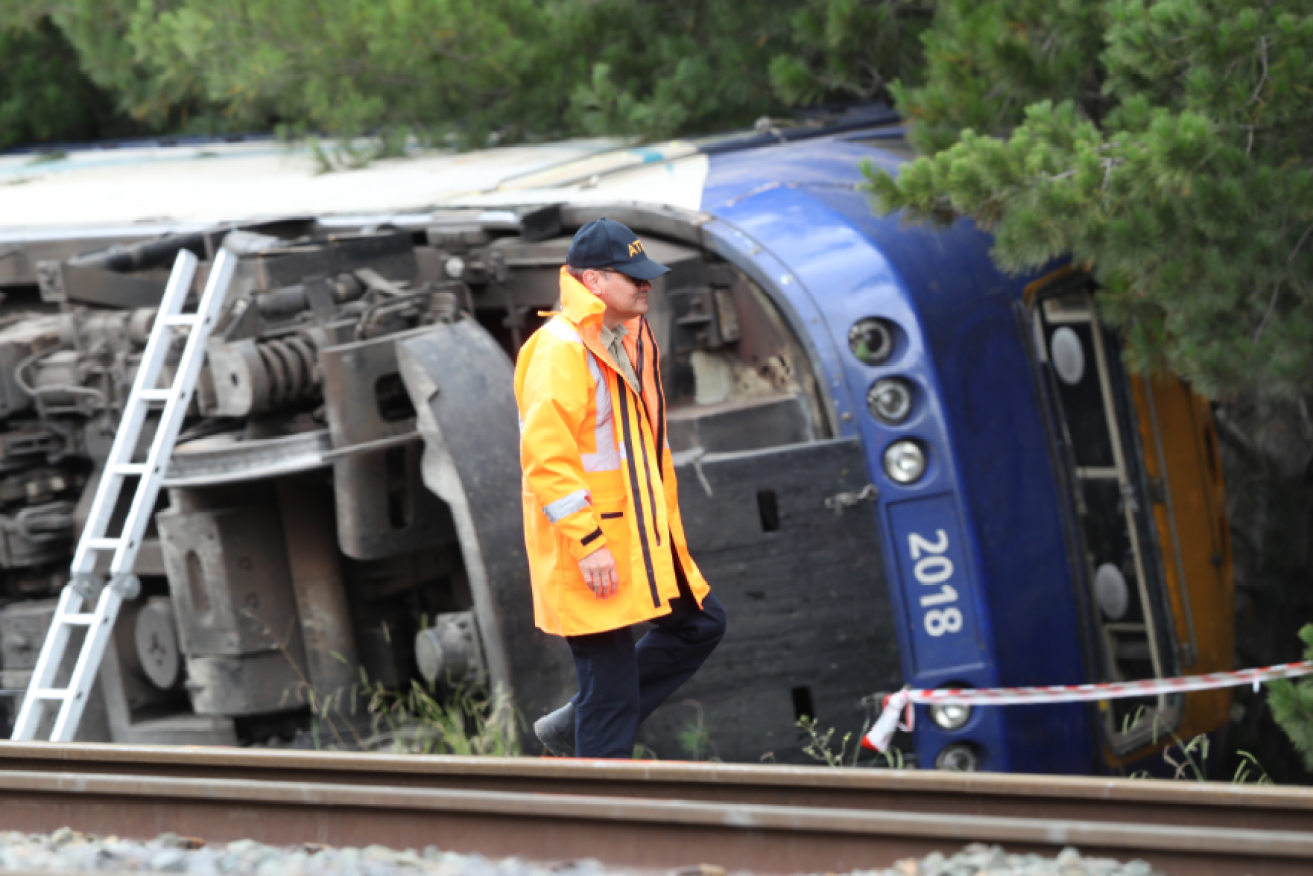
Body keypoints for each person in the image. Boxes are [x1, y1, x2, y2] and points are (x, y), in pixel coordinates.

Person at [514, 217, 727, 759]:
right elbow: (547, 457)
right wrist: (587, 544)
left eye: (646, 275)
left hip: (635, 539)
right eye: (632, 276)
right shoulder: (560, 348)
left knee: (700, 624)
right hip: (591, 545)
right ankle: (607, 819)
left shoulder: (620, 339)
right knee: (608, 693)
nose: (645, 284)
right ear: (592, 283)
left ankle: (575, 727)